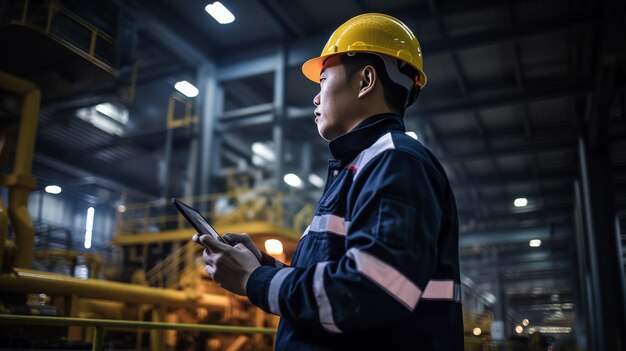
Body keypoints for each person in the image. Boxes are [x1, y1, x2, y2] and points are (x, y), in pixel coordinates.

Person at [193, 13, 464, 350]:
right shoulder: (360, 167)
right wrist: (261, 263)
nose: (316, 98)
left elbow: (371, 292)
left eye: (322, 80)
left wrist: (255, 279)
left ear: (366, 81)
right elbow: (337, 278)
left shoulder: (396, 160)